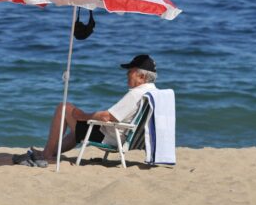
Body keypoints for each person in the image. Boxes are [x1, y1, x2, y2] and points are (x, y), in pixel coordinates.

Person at [14, 54, 159, 167]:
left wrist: (83, 116)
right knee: (77, 127)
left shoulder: (136, 94)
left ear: (142, 76)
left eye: (130, 71)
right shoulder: (154, 93)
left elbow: (107, 117)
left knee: (64, 108)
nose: (127, 74)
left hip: (111, 137)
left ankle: (46, 155)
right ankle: (51, 152)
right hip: (127, 136)